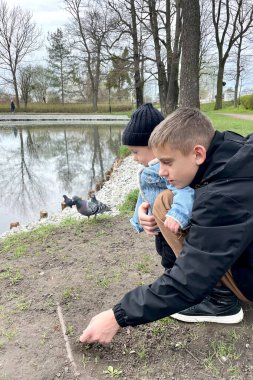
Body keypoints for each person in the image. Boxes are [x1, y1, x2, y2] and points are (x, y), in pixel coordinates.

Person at [79, 107, 253, 345]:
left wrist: (117, 316)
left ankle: (220, 301)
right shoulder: (232, 151)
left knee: (166, 202)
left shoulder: (221, 196)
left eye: (167, 162)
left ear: (198, 154)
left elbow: (192, 276)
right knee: (165, 199)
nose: (161, 171)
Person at [122, 103, 195, 266]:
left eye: (135, 152)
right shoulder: (151, 168)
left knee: (170, 263)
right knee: (163, 255)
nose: (134, 158)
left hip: (172, 227)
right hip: (161, 229)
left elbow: (184, 191)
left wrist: (178, 216)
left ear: (155, 146)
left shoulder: (163, 169)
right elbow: (146, 195)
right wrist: (139, 218)